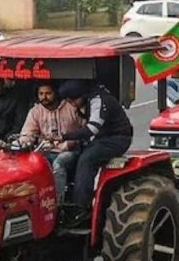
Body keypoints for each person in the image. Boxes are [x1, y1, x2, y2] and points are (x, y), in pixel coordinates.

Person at [57, 79, 134, 225]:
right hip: (100, 138)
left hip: (116, 138)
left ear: (81, 95)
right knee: (73, 156)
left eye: (73, 100)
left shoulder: (99, 100)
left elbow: (92, 129)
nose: (72, 104)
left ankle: (82, 208)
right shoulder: (87, 100)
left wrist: (65, 137)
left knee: (87, 159)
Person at [19, 82, 84, 204]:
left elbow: (85, 130)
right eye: (41, 94)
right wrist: (22, 143)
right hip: (45, 150)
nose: (44, 97)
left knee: (59, 164)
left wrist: (71, 142)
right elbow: (28, 133)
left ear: (56, 93)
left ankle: (57, 203)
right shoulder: (35, 111)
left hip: (70, 151)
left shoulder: (71, 107)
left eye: (48, 93)